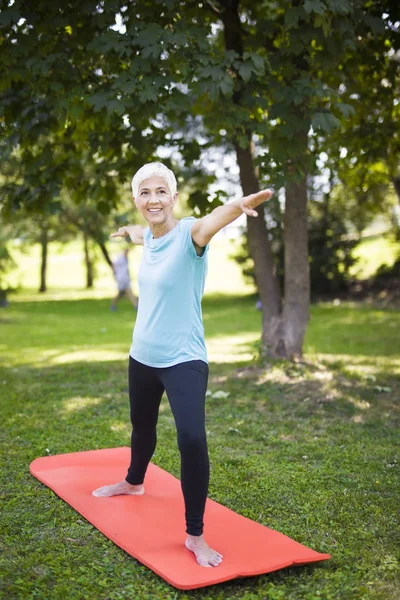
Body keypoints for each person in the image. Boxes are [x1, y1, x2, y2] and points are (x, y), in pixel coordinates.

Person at [93, 162, 272, 568]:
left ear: (173, 197)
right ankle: (134, 481)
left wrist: (237, 205)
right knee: (142, 426)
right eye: (144, 192)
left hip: (184, 358)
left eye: (161, 192)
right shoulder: (149, 237)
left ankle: (195, 535)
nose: (153, 199)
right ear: (137, 199)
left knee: (191, 439)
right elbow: (144, 234)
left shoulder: (191, 234)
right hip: (142, 355)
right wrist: (128, 232)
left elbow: (211, 222)